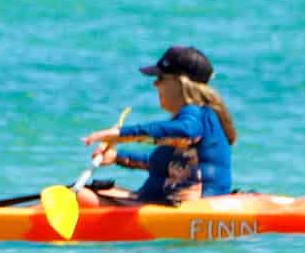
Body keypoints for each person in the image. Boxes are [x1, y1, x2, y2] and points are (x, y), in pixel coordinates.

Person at [79, 45, 236, 205]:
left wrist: (121, 134)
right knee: (88, 191)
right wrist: (117, 157)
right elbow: (168, 164)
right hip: (165, 202)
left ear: (181, 83)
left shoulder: (195, 116)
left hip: (185, 207)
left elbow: (185, 132)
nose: (155, 84)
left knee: (77, 196)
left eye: (161, 78)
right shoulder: (202, 116)